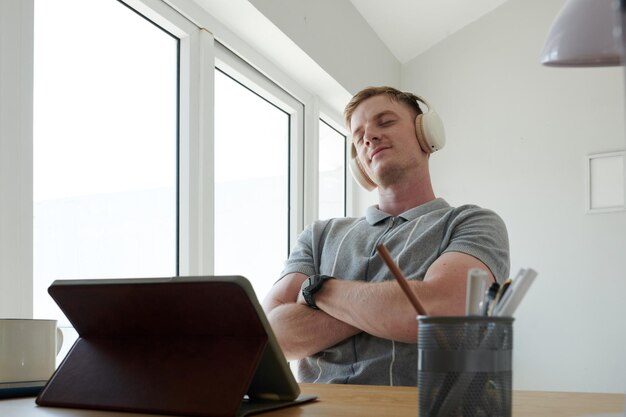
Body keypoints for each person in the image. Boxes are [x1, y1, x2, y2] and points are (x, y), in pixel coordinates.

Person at [262, 86, 510, 386]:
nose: (369, 137)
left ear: (425, 134)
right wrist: (394, 308)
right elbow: (272, 337)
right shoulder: (319, 235)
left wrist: (319, 291)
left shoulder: (472, 223)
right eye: (359, 135)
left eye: (385, 121)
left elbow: (442, 317)